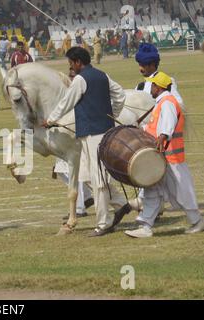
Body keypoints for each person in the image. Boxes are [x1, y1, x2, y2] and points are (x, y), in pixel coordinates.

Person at [43, 47, 130, 237]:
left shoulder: (80, 79)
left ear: (77, 62)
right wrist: (111, 115)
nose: (70, 67)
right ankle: (121, 204)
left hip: (92, 134)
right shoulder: (102, 74)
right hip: (103, 131)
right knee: (91, 176)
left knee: (97, 177)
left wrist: (50, 120)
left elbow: (67, 101)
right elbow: (120, 95)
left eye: (70, 63)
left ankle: (103, 223)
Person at [124, 72, 204, 238]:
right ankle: (145, 226)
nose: (150, 88)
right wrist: (140, 130)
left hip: (170, 158)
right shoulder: (162, 102)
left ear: (158, 87)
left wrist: (162, 137)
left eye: (153, 85)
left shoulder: (167, 103)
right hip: (161, 158)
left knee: (181, 192)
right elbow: (155, 127)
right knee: (152, 190)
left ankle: (197, 221)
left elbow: (166, 127)